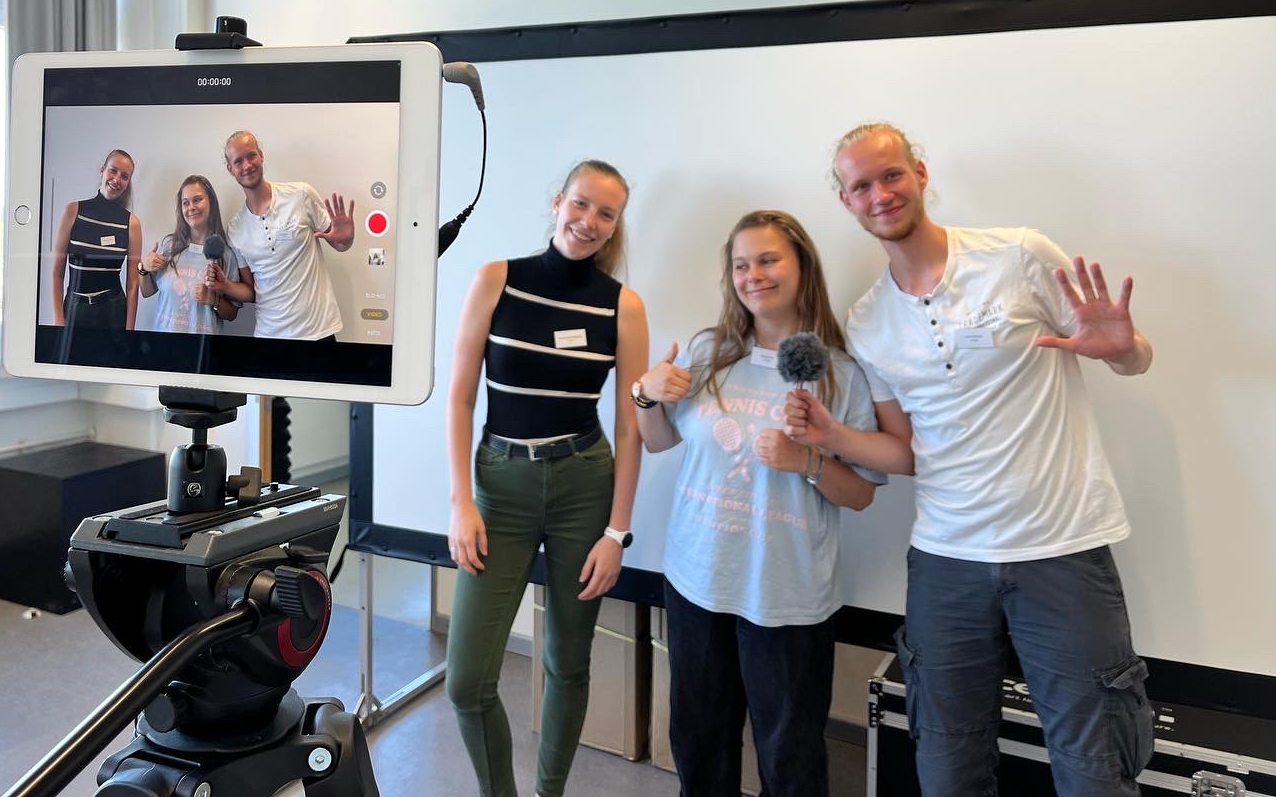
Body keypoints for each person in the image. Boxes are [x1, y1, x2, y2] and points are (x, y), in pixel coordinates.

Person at [795, 121, 1155, 796]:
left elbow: (1132, 358)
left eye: (892, 175)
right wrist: (831, 436)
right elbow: (905, 452)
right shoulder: (867, 320)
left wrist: (1126, 350)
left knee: (1094, 771)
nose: (881, 194)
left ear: (920, 173)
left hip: (1061, 548)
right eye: (862, 186)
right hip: (945, 561)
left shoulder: (1017, 255)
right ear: (846, 201)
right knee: (946, 769)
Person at [633, 210, 883, 797]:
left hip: (787, 593)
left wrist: (809, 461)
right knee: (699, 743)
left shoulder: (840, 374)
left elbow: (862, 494)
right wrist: (646, 395)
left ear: (802, 266)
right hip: (698, 580)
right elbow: (660, 441)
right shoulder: (708, 351)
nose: (754, 275)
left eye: (769, 260)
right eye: (741, 265)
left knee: (790, 756)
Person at [444, 160, 649, 797]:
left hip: (584, 486)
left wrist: (617, 533)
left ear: (615, 225)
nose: (589, 221)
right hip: (500, 485)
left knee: (567, 661)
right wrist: (461, 502)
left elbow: (631, 427)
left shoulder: (623, 306)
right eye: (581, 204)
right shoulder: (496, 280)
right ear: (558, 200)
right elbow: (459, 398)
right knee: (467, 681)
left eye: (606, 213)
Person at [221, 131, 354, 339]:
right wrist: (224, 285)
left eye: (251, 155)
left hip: (318, 331)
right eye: (238, 161)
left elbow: (340, 243)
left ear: (261, 155)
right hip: (270, 335)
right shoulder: (235, 229)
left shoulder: (300, 195)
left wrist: (346, 239)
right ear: (230, 169)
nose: (247, 165)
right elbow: (251, 291)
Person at [137, 175, 253, 334]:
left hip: (201, 347)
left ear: (211, 203)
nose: (191, 207)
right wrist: (143, 267)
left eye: (197, 200)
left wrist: (213, 299)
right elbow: (147, 292)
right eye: (185, 202)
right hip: (163, 344)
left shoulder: (225, 255)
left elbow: (232, 314)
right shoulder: (169, 245)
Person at [50, 149, 142, 331]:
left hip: (112, 311)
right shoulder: (72, 211)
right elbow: (57, 274)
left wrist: (130, 331)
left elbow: (133, 283)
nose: (117, 179)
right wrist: (58, 321)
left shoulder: (132, 223)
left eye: (124, 176)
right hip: (75, 310)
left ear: (128, 183)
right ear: (102, 170)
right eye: (113, 170)